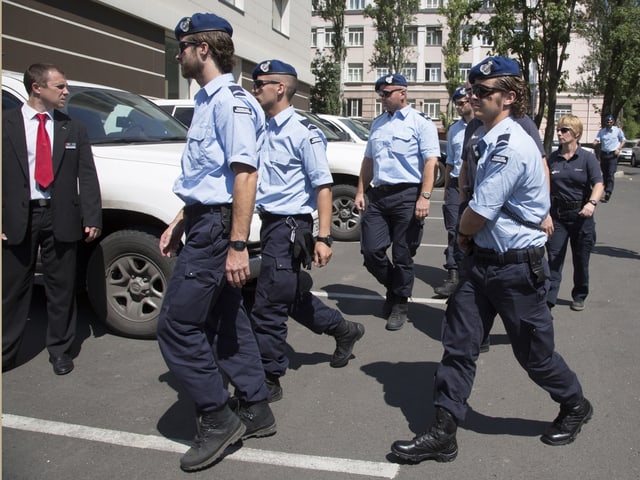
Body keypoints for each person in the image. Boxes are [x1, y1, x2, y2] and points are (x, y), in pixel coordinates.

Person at [391, 56, 592, 463]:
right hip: (481, 263)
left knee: (535, 356)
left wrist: (463, 233)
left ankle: (574, 404)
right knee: (459, 346)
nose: (473, 97)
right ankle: (443, 432)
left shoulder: (512, 144)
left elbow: (481, 208)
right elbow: (469, 186)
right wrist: (469, 240)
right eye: (471, 90)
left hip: (518, 268)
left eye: (483, 92)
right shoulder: (482, 135)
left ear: (510, 97)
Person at [156, 13, 275, 473]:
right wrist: (181, 218)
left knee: (177, 325)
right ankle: (256, 406)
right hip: (205, 221)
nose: (179, 53)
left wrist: (237, 244)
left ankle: (216, 416)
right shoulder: (209, 101)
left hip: (219, 229)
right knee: (228, 319)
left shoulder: (231, 104)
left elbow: (244, 175)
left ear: (203, 49)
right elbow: (211, 176)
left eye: (182, 45)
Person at [249, 59, 365, 402]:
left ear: (280, 88)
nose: (255, 90)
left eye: (260, 84)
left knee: (268, 305)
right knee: (288, 296)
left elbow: (323, 188)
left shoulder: (304, 133)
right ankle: (345, 330)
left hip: (289, 227)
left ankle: (269, 376)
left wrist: (324, 237)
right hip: (269, 225)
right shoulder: (263, 129)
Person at [2, 63, 102, 375]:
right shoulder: (6, 123)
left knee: (61, 288)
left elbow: (86, 176)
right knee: (13, 290)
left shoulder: (71, 128)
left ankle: (60, 350)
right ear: (37, 87)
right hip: (18, 217)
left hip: (61, 216)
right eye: (59, 86)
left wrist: (92, 216)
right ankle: (6, 351)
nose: (65, 91)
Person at [355, 74, 440, 331]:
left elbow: (430, 162)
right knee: (371, 251)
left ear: (402, 93)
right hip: (379, 195)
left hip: (407, 195)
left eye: (387, 93)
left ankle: (400, 302)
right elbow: (368, 161)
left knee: (403, 254)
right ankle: (395, 287)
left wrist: (425, 197)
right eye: (380, 93)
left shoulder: (420, 123)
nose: (382, 97)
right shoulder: (378, 124)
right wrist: (360, 191)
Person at [547, 115, 604, 312]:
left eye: (565, 130)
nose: (560, 133)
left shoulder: (587, 158)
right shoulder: (552, 159)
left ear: (576, 134)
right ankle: (549, 298)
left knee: (581, 260)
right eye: (559, 129)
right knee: (553, 258)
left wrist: (592, 203)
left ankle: (579, 295)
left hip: (582, 216)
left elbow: (598, 183)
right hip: (558, 216)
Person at [434, 86, 474, 297]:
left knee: (474, 230)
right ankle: (453, 275)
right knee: (453, 229)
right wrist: (447, 190)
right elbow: (450, 161)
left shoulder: (482, 126)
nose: (458, 107)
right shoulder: (454, 129)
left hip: (473, 186)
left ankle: (471, 272)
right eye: (456, 103)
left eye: (462, 103)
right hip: (454, 183)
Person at [593, 114, 625, 202]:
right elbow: (597, 139)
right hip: (604, 154)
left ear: (613, 122)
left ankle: (608, 192)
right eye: (607, 122)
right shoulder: (602, 131)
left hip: (613, 154)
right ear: (605, 122)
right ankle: (606, 188)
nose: (609, 123)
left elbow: (623, 140)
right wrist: (595, 142)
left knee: (611, 173)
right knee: (605, 174)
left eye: (611, 122)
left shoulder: (617, 131)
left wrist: (619, 148)